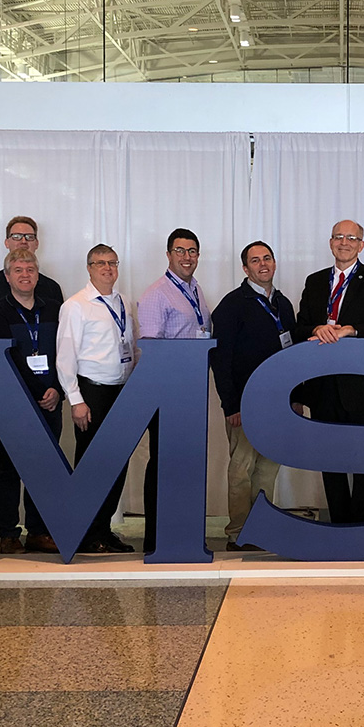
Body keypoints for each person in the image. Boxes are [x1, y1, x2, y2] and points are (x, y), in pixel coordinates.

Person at [293, 220, 364, 524]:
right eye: (339, 237)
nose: (344, 242)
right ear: (330, 243)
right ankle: (339, 525)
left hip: (359, 386)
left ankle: (361, 524)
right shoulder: (314, 281)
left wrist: (353, 330)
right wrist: (314, 328)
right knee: (330, 459)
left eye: (351, 238)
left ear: (361, 245)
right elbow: (298, 329)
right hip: (322, 385)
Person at [0, 216, 64, 545]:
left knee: (46, 466)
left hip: (50, 399)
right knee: (9, 467)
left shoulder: (53, 306)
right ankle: (8, 532)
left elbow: (63, 351)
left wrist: (56, 390)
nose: (26, 275)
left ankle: (39, 530)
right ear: (8, 276)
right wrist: (29, 391)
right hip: (13, 400)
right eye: (19, 271)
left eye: (30, 270)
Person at [212, 241, 299, 551]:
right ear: (245, 269)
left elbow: (293, 356)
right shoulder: (232, 305)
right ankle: (238, 533)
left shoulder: (284, 304)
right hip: (245, 405)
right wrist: (230, 405)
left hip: (278, 403)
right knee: (241, 469)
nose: (262, 264)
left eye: (267, 258)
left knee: (268, 468)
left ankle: (260, 527)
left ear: (274, 263)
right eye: (255, 260)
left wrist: (295, 399)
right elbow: (221, 359)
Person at [56, 244, 138, 554]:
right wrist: (76, 399)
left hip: (122, 390)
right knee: (92, 464)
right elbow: (65, 357)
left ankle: (104, 529)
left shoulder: (124, 302)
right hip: (92, 393)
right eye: (100, 263)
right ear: (89, 268)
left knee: (116, 462)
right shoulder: (76, 305)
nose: (107, 268)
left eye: (112, 263)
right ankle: (86, 532)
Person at [136, 228, 212, 553]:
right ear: (168, 255)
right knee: (162, 465)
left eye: (192, 251)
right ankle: (156, 538)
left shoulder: (195, 289)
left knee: (185, 464)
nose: (187, 257)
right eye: (180, 251)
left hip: (191, 393)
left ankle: (184, 532)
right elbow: (151, 352)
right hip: (167, 394)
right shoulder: (157, 294)